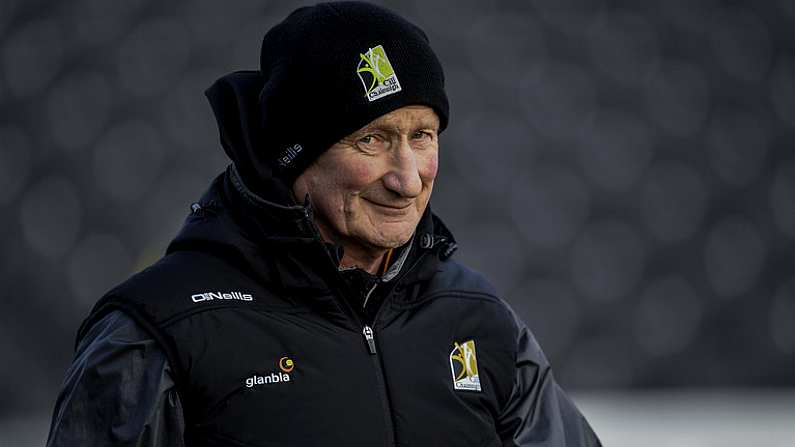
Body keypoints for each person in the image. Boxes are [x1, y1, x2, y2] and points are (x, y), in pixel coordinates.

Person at [46, 2, 601, 446]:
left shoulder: (480, 321)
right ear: (295, 158)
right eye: (373, 139)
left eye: (422, 136)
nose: (407, 179)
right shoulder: (157, 334)